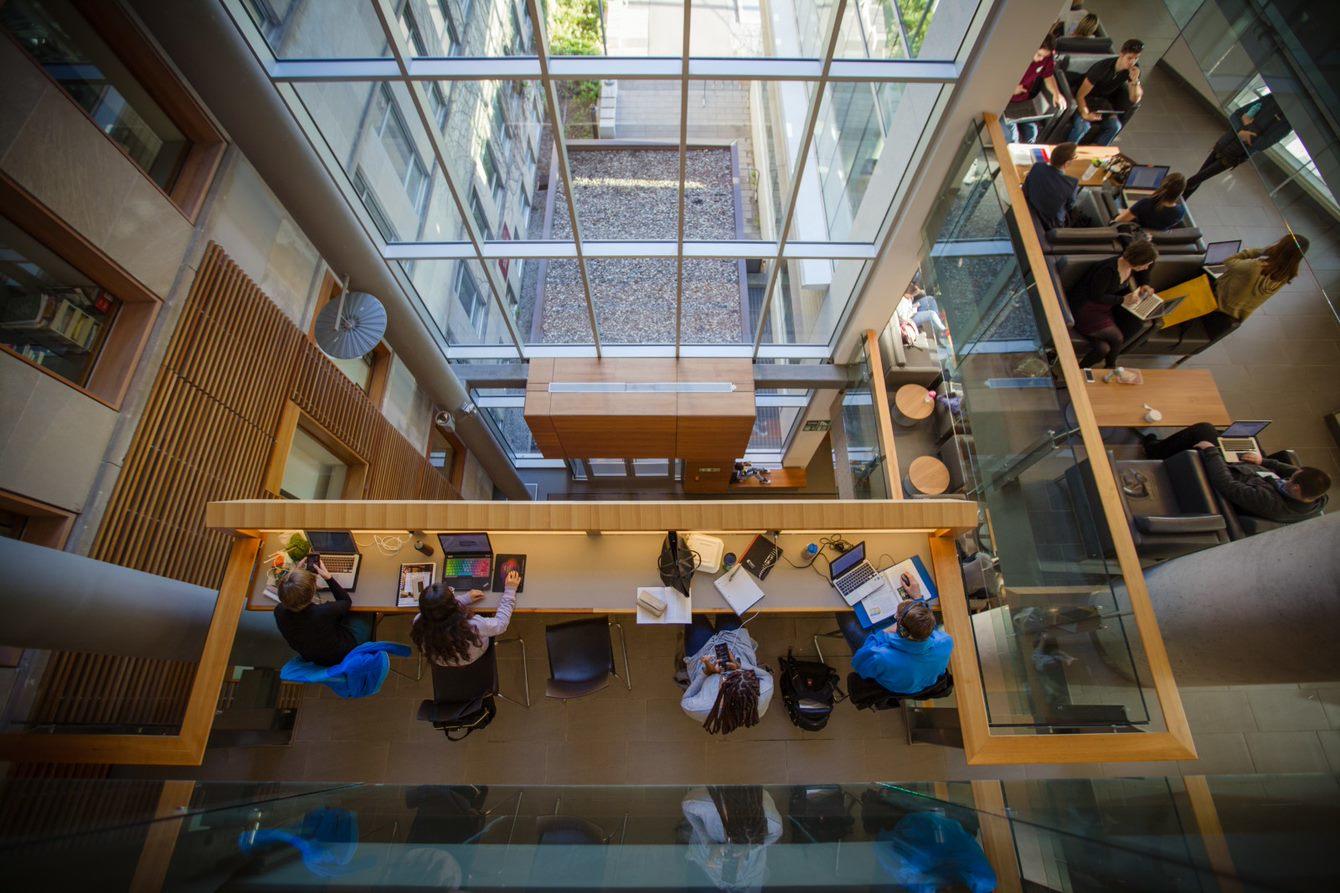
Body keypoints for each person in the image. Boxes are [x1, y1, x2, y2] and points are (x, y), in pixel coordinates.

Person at [1143, 422, 1330, 523]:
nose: (1290, 475)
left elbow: (1227, 485)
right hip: (1252, 469)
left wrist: (1211, 451)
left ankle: (1154, 451)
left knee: (1203, 430)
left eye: (1293, 479)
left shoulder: (1270, 503)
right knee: (1244, 436)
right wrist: (1261, 460)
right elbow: (1292, 471)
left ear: (1296, 488)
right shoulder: (1317, 497)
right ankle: (1204, 442)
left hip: (1230, 472)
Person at [1067, 239, 1158, 368]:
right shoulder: (1107, 270)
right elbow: (1095, 296)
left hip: (1102, 308)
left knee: (1103, 349)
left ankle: (1080, 370)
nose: (1147, 267)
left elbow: (1145, 272)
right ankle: (1111, 366)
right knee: (1117, 338)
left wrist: (1145, 285)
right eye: (1146, 264)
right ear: (1138, 262)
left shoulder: (1128, 266)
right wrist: (1123, 300)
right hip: (1084, 308)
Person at [680, 614, 774, 735]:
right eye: (737, 673)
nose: (726, 671)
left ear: (722, 699)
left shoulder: (700, 707)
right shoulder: (765, 691)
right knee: (724, 605)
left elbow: (686, 699)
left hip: (701, 655)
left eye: (724, 678)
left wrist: (706, 673)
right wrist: (739, 665)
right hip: (736, 645)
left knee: (693, 613)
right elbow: (766, 676)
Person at [1184, 92, 1291, 198]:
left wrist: (1246, 125)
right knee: (1199, 176)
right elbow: (1236, 115)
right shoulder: (1270, 98)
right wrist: (1242, 131)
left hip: (1236, 154)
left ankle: (1175, 197)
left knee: (1197, 178)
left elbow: (1263, 144)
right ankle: (1178, 200)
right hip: (1225, 143)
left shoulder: (1289, 121)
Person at [680, 786, 783, 891]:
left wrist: (750, 848)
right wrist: (709, 842)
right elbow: (688, 810)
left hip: (750, 874)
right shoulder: (701, 803)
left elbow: (775, 835)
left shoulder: (769, 817)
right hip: (704, 866)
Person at [411, 570, 521, 667]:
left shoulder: (418, 621)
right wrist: (510, 591)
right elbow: (501, 624)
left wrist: (465, 598)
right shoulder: (473, 627)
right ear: (453, 606)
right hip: (471, 657)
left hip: (444, 659)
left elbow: (439, 610)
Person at [274, 563, 373, 667]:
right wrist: (328, 578)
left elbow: (289, 598)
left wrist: (293, 581)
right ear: (313, 591)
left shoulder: (279, 611)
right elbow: (346, 601)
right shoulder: (322, 612)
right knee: (364, 611)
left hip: (315, 659)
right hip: (344, 654)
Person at [850, 599, 953, 696]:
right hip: (920, 684)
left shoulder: (880, 656)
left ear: (901, 631)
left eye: (896, 618)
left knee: (849, 622)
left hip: (893, 687)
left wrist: (883, 633)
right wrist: (919, 599)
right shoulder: (946, 641)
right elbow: (927, 630)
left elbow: (858, 665)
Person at [1212, 233, 1309, 322]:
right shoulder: (1285, 277)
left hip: (1217, 304)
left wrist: (1260, 251)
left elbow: (1228, 261)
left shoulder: (1255, 266)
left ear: (1279, 247)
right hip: (1234, 317)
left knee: (1200, 271)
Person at [1067, 38, 1144, 146]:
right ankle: (1067, 150)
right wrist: (1085, 114)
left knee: (1115, 126)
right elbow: (1080, 95)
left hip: (1102, 102)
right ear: (1121, 54)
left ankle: (1095, 151)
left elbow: (1134, 99)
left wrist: (1135, 81)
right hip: (1085, 99)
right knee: (1083, 127)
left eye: (1136, 58)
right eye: (1129, 58)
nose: (1132, 62)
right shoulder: (1101, 68)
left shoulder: (1134, 70)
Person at [1002, 34, 1066, 144]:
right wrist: (1009, 89)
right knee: (1012, 137)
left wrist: (1056, 93)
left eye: (1044, 57)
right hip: (1003, 103)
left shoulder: (1046, 58)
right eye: (1038, 55)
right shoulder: (1013, 55)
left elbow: (1048, 76)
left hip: (1024, 101)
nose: (1040, 59)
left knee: (1032, 134)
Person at [1023, 141, 1080, 229]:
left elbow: (1025, 187)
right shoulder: (1072, 184)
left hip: (1030, 207)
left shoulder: (1037, 166)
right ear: (1067, 163)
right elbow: (1070, 206)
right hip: (1050, 223)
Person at [1112, 172, 1186, 230]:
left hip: (1135, 230)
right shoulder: (1180, 211)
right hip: (1153, 239)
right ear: (1181, 192)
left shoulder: (1146, 203)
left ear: (1163, 184)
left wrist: (1132, 208)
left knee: (1118, 195)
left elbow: (1118, 221)